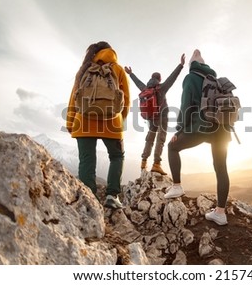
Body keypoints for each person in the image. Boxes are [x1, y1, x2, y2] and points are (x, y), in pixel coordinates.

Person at [164, 49, 232, 225]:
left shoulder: (191, 77)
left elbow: (186, 105)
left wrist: (179, 130)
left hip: (202, 126)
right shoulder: (216, 80)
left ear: (192, 64)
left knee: (172, 147)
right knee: (221, 168)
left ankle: (177, 186)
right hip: (223, 128)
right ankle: (220, 213)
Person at [66, 41, 130, 209]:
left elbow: (74, 96)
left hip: (83, 121)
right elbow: (126, 99)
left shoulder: (85, 69)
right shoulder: (118, 69)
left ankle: (89, 200)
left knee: (87, 160)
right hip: (111, 122)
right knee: (117, 156)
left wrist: (70, 121)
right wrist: (119, 120)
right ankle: (112, 195)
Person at [124, 54, 185, 175]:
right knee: (160, 139)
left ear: (151, 78)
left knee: (149, 139)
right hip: (162, 116)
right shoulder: (161, 87)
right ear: (159, 79)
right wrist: (181, 65)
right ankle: (156, 164)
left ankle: (143, 161)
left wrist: (130, 74)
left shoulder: (145, 88)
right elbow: (172, 78)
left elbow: (137, 82)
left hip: (151, 118)